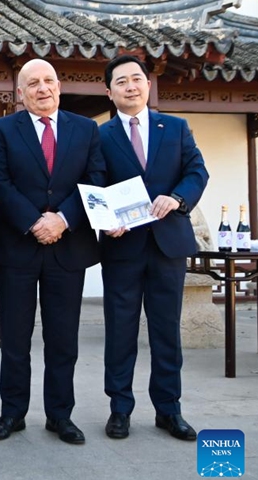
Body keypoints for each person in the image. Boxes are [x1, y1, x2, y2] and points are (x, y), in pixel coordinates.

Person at [0, 58, 106, 445]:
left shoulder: (85, 129)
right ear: (21, 93)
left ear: (59, 85)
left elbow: (95, 178)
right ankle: (12, 414)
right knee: (15, 338)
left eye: (48, 80)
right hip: (16, 244)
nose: (42, 88)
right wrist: (35, 222)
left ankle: (60, 415)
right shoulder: (3, 129)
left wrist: (63, 220)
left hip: (68, 247)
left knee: (63, 338)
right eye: (32, 83)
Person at [99, 55, 208, 441]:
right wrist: (104, 219)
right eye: (121, 81)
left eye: (136, 79)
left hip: (167, 245)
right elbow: (95, 183)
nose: (131, 86)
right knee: (120, 331)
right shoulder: (102, 135)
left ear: (147, 85)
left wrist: (177, 198)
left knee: (166, 331)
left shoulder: (176, 128)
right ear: (109, 92)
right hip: (122, 245)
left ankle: (169, 410)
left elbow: (197, 171)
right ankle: (120, 409)